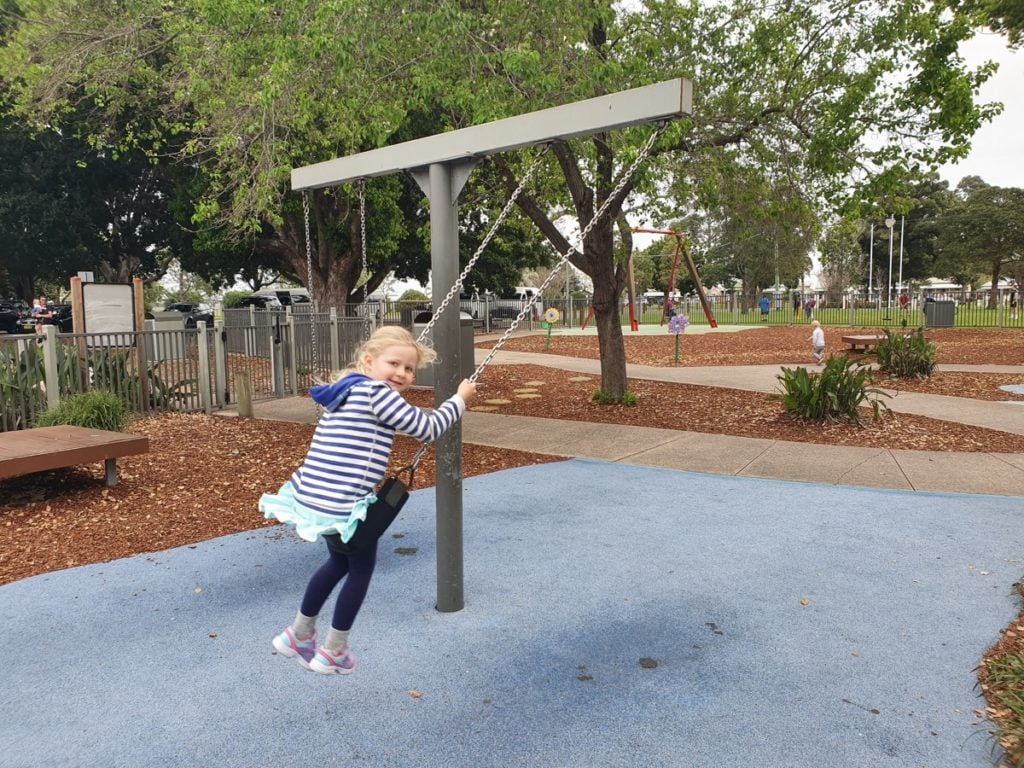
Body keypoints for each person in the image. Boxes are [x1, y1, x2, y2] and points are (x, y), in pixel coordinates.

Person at [260, 326, 478, 675]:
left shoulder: (347, 389)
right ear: (369, 361)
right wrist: (460, 399)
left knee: (338, 565)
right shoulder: (378, 393)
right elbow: (427, 428)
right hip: (342, 505)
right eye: (395, 363)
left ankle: (298, 634)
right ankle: (333, 650)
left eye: (409, 369)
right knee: (361, 568)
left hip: (313, 497)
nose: (403, 374)